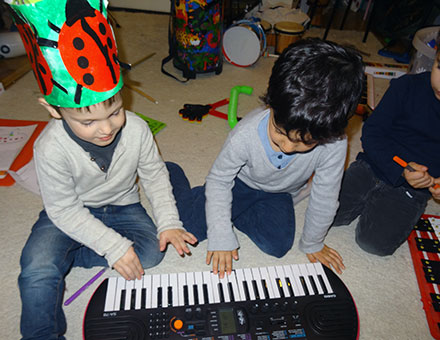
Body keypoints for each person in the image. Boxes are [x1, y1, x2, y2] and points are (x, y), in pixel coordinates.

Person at [8, 1, 197, 339]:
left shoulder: (137, 130)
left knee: (152, 254)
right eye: (87, 121)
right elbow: (63, 209)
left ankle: (78, 252)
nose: (105, 128)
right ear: (53, 109)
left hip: (124, 206)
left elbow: (154, 175)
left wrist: (169, 222)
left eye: (115, 111)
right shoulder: (49, 147)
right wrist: (113, 247)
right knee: (36, 269)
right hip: (69, 212)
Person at [167, 37, 365, 278]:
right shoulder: (245, 134)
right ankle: (172, 175)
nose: (288, 147)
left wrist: (313, 243)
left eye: (304, 141)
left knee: (278, 246)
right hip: (238, 183)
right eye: (280, 133)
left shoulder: (334, 142)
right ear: (271, 103)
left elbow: (325, 196)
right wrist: (221, 235)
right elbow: (220, 181)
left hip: (279, 192)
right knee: (191, 228)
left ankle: (234, 210)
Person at [332, 35, 440, 256]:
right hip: (373, 164)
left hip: (413, 188)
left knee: (373, 244)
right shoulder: (407, 86)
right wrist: (400, 168)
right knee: (326, 215)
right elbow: (372, 133)